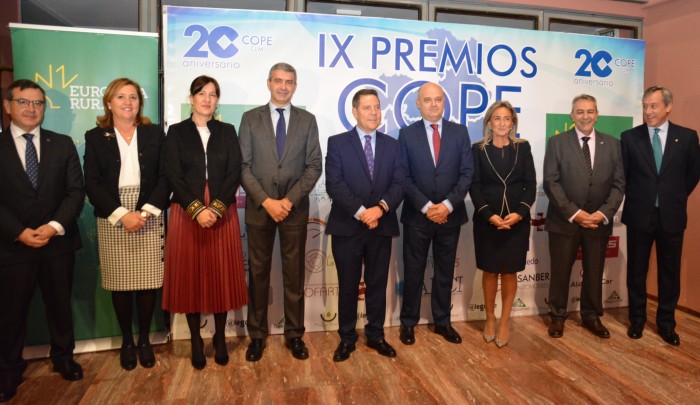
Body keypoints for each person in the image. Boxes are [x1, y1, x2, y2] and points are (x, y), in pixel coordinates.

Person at [0, 79, 85, 402]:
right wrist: (18, 232)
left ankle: (64, 358)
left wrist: (52, 226)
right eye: (23, 102)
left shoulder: (62, 144)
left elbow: (75, 192)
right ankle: (8, 372)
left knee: (60, 307)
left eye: (38, 103)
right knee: (10, 314)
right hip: (11, 246)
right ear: (8, 106)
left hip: (57, 244)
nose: (31, 109)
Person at [83, 78, 170, 371]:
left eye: (133, 97)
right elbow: (91, 184)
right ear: (109, 102)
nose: (127, 103)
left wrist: (143, 214)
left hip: (148, 212)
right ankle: (127, 341)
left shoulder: (154, 133)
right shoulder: (96, 136)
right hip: (113, 214)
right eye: (121, 97)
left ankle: (145, 339)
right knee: (120, 284)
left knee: (147, 283)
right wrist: (122, 214)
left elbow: (165, 177)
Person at [239, 62, 322, 362]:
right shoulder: (250, 119)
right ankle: (257, 337)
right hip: (260, 210)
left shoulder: (307, 120)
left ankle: (295, 335)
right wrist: (267, 201)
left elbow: (314, 166)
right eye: (278, 80)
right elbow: (243, 167)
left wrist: (287, 200)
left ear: (295, 86)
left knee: (293, 276)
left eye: (289, 81)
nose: (283, 86)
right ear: (268, 83)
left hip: (294, 210)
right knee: (258, 276)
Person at [162, 75, 247, 369]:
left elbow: (235, 170)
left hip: (222, 210)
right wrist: (197, 209)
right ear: (192, 98)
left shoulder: (227, 131)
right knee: (191, 274)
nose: (207, 99)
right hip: (187, 211)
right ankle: (196, 341)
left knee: (220, 274)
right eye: (202, 93)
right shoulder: (176, 132)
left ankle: (220, 337)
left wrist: (218, 206)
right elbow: (172, 173)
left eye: (213, 94)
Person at [325, 89, 404, 361]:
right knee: (348, 285)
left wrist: (379, 209)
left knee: (377, 284)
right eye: (367, 107)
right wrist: (362, 212)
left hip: (380, 226)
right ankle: (347, 338)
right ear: (355, 112)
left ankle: (375, 335)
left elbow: (399, 183)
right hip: (348, 227)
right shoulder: (337, 143)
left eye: (377, 107)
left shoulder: (393, 145)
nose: (373, 113)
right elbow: (334, 185)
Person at [621, 86, 700, 346]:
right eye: (645, 106)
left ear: (668, 106)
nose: (648, 111)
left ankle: (667, 324)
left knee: (669, 272)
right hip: (639, 214)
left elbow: (692, 174)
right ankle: (637, 320)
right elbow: (625, 176)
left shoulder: (687, 137)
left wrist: (673, 196)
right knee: (636, 271)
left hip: (671, 216)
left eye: (653, 106)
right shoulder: (630, 137)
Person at [543, 94, 625, 339]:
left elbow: (619, 184)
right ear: (572, 116)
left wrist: (602, 214)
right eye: (580, 112)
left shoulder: (613, 144)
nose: (585, 116)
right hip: (564, 221)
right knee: (560, 273)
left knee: (594, 270)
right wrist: (575, 214)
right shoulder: (557, 143)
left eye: (590, 111)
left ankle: (591, 315)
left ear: (597, 114)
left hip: (597, 223)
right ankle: (557, 317)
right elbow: (551, 182)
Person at [398, 82, 473, 345]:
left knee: (444, 273)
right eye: (427, 100)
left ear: (444, 102)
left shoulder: (460, 132)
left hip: (450, 216)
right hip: (418, 216)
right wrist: (427, 207)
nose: (433, 104)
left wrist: (447, 206)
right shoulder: (406, 134)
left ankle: (443, 322)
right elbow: (403, 177)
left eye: (438, 99)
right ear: (418, 104)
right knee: (414, 271)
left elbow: (466, 174)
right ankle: (408, 322)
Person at [469, 101, 536, 348]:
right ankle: (489, 317)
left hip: (516, 222)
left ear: (513, 123)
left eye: (507, 119)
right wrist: (489, 214)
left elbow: (531, 184)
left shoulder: (523, 147)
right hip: (488, 221)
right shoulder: (477, 149)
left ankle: (505, 321)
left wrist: (519, 214)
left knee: (509, 271)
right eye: (496, 118)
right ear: (489, 122)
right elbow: (474, 186)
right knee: (490, 271)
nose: (502, 123)